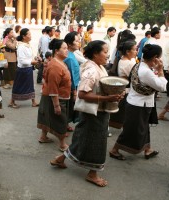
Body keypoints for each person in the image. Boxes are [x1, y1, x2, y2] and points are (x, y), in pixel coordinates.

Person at [50, 40, 124, 187]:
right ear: (95, 54)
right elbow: (83, 94)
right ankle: (92, 173)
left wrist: (113, 94)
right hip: (94, 113)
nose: (107, 54)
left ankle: (60, 159)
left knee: (82, 138)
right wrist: (107, 98)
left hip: (98, 111)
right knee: (97, 143)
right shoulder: (92, 70)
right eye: (104, 51)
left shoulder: (99, 67)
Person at [109, 44, 167, 161]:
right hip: (138, 105)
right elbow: (162, 87)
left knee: (144, 128)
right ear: (155, 57)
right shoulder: (146, 71)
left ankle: (147, 149)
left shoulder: (140, 65)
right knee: (131, 130)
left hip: (139, 103)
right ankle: (114, 150)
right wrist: (160, 70)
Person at [37, 39, 70, 151]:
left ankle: (43, 136)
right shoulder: (55, 66)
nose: (67, 51)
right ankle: (62, 144)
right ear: (56, 51)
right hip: (55, 96)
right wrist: (56, 105)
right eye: (64, 48)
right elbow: (53, 87)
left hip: (53, 95)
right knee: (61, 119)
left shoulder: (60, 62)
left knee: (46, 115)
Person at [109, 40, 137, 129]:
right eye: (135, 49)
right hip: (127, 88)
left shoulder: (122, 59)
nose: (137, 52)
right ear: (128, 52)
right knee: (125, 110)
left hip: (123, 86)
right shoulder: (129, 63)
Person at [8, 28, 40, 108]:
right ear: (24, 36)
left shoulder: (27, 45)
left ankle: (33, 102)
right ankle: (12, 102)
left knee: (30, 86)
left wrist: (36, 58)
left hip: (28, 69)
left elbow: (30, 57)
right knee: (18, 86)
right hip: (22, 69)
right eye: (29, 34)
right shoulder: (21, 47)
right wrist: (32, 62)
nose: (30, 36)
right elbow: (22, 61)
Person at [64, 31, 80, 131]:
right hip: (70, 87)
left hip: (74, 85)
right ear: (70, 44)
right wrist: (74, 91)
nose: (79, 43)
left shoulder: (72, 54)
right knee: (67, 107)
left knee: (69, 107)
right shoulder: (69, 57)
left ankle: (65, 125)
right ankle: (62, 126)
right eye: (77, 41)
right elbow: (72, 76)